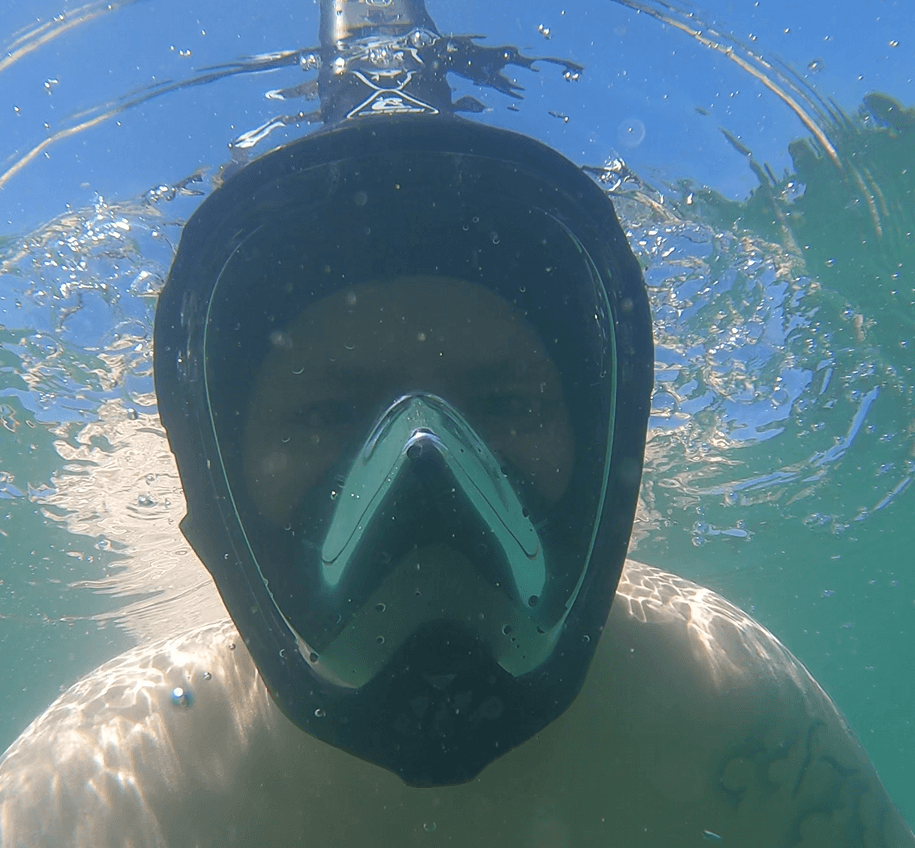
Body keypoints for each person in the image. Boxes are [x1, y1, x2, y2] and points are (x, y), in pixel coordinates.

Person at [1, 1, 913, 845]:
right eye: (325, 412)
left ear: (604, 456)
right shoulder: (89, 791)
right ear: (215, 477)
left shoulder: (727, 703)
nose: (423, 469)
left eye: (505, 404)